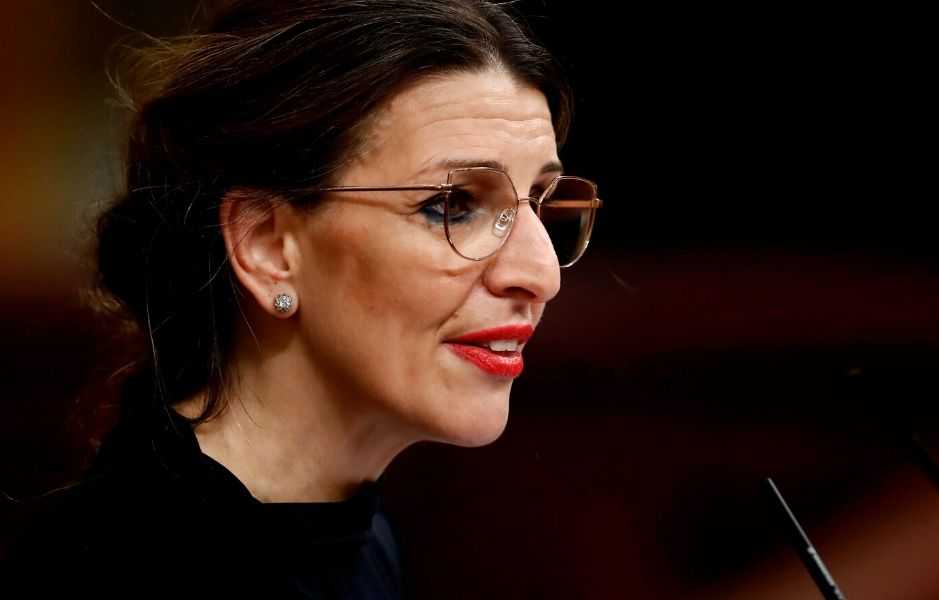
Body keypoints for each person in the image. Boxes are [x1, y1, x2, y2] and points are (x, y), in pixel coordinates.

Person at [2, 1, 599, 597]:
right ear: (267, 246)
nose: (542, 273)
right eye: (452, 205)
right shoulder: (112, 569)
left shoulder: (358, 539)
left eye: (540, 199)